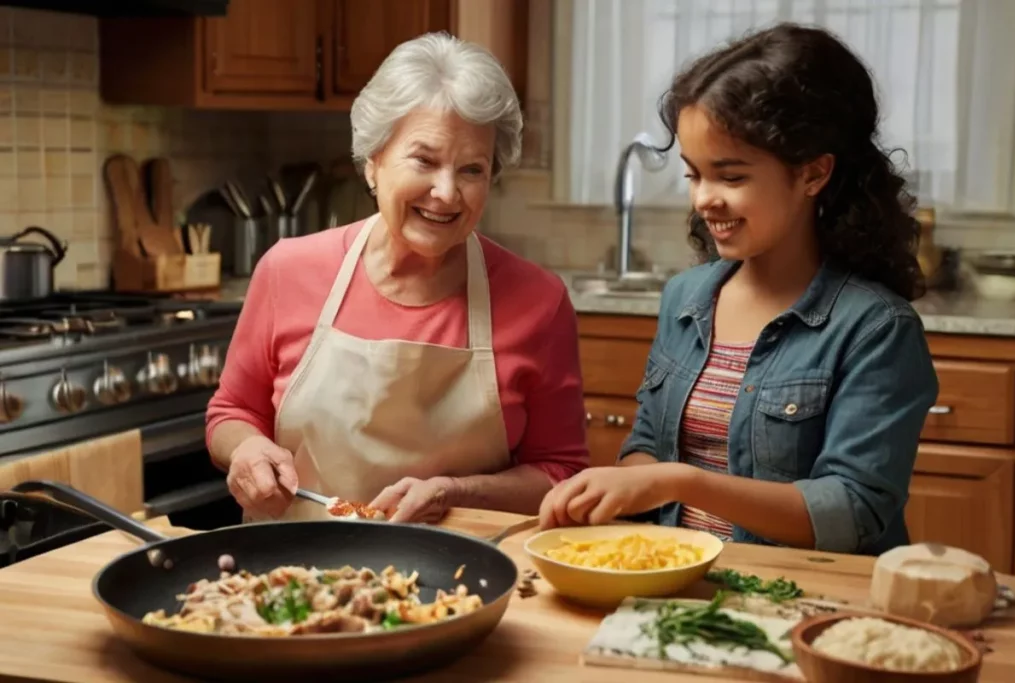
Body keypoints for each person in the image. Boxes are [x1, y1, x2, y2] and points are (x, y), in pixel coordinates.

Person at [539, 23, 939, 556]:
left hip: (804, 598)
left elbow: (852, 511)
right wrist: (612, 490)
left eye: (730, 177)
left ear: (813, 174)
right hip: (681, 584)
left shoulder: (876, 329)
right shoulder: (685, 298)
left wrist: (677, 481)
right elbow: (647, 450)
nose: (705, 199)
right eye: (693, 175)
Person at [207, 32, 588, 525]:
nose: (447, 193)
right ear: (373, 161)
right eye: (424, 160)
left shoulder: (539, 301)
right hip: (289, 577)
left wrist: (456, 492)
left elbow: (562, 473)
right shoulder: (287, 270)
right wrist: (247, 451)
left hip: (460, 581)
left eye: (472, 169)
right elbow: (231, 412)